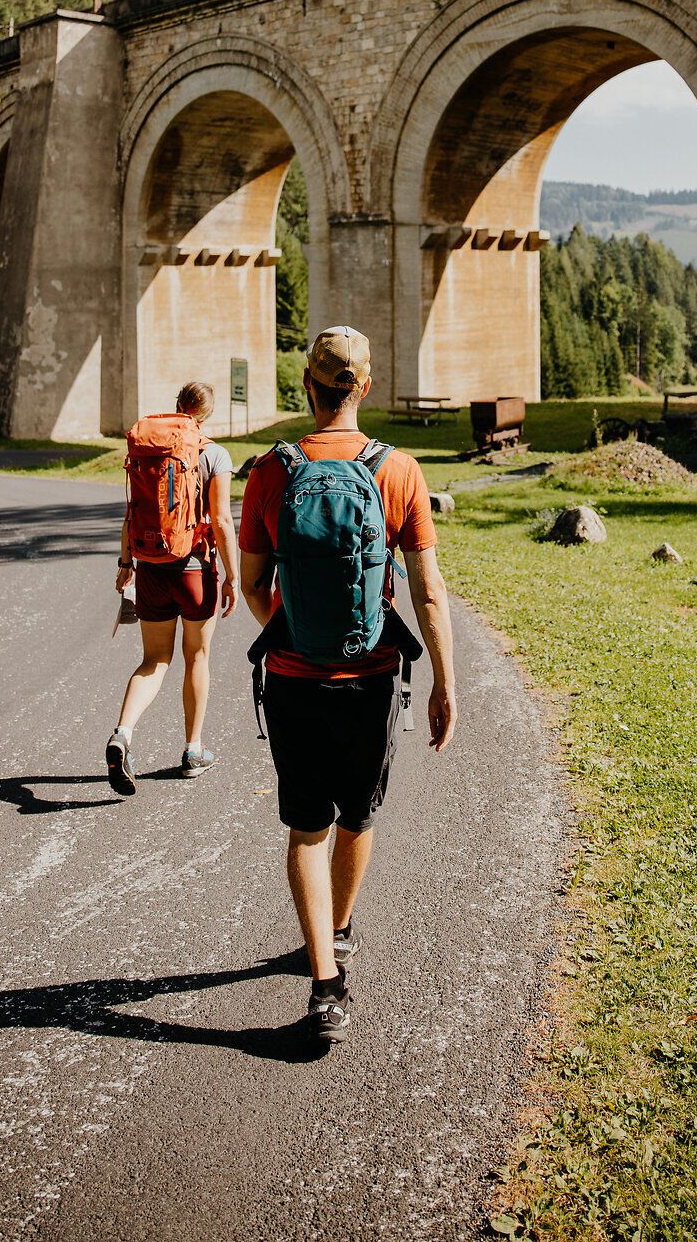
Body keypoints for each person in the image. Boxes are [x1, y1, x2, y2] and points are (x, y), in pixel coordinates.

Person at [238, 326, 457, 1046]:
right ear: (363, 387)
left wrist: (294, 628)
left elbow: (251, 583)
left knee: (307, 828)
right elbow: (427, 592)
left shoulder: (272, 470)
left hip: (294, 680)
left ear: (306, 386)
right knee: (358, 815)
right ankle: (338, 928)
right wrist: (444, 684)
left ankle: (324, 980)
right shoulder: (398, 471)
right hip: (371, 678)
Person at [107, 381, 237, 794]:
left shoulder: (148, 449)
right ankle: (193, 750)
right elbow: (221, 520)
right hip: (195, 569)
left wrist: (127, 562)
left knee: (153, 661)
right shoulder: (213, 453)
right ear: (205, 414)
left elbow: (132, 510)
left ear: (177, 407)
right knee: (196, 656)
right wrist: (233, 576)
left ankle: (123, 734)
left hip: (150, 568)